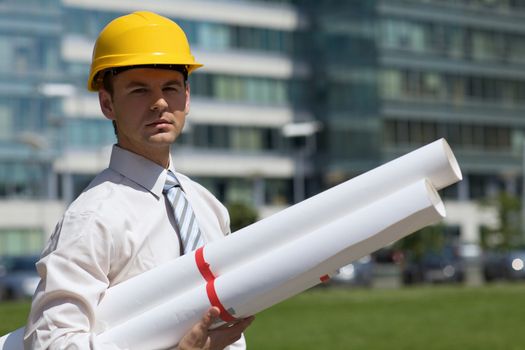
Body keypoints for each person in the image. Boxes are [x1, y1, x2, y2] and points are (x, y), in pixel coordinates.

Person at [24, 11, 253, 350]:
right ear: (107, 103)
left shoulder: (207, 205)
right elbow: (51, 343)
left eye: (170, 88)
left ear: (186, 98)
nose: (159, 103)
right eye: (139, 91)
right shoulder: (92, 219)